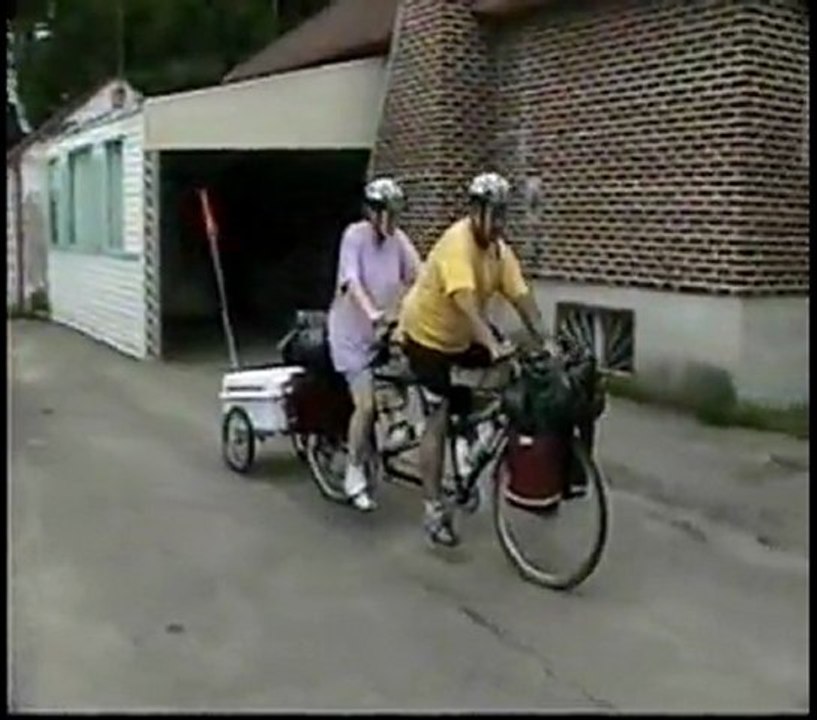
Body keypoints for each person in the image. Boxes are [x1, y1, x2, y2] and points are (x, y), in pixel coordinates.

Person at [399, 172, 549, 546]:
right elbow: (466, 304)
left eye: (502, 215)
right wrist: (493, 345)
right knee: (437, 415)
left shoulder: (499, 252)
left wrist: (545, 340)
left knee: (510, 372)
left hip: (462, 337)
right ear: (474, 211)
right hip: (427, 339)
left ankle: (472, 433)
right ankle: (433, 509)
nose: (498, 224)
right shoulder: (458, 244)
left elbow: (521, 295)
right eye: (491, 215)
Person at [328, 177, 421, 511]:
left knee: (419, 370)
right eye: (387, 212)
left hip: (382, 334)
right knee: (364, 406)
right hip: (351, 337)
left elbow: (419, 277)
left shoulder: (398, 241)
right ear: (372, 212)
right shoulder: (355, 237)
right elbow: (351, 280)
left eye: (397, 213)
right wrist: (373, 313)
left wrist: (417, 306)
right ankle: (354, 471)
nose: (393, 220)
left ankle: (399, 425)